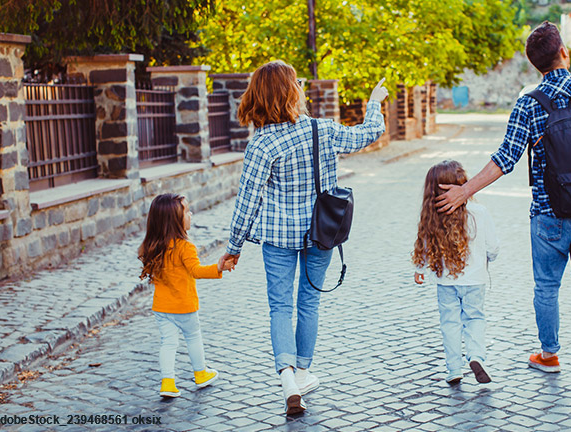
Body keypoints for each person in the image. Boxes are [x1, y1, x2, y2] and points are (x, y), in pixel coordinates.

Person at [435, 21, 571, 391]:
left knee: (547, 289)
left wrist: (463, 192)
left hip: (549, 215)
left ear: (536, 65)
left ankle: (550, 355)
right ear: (564, 51)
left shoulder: (529, 105)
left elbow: (504, 160)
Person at [219, 60, 388, 415]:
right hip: (320, 233)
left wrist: (233, 248)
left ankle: (287, 379)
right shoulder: (321, 130)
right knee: (308, 303)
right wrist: (374, 102)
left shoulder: (261, 144)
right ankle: (305, 371)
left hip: (278, 237)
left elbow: (247, 201)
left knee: (280, 307)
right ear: (291, 91)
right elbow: (369, 133)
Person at [413, 160, 500, 385]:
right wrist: (486, 257)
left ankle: (453, 369)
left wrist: (420, 268)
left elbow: (423, 244)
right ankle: (476, 356)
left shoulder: (432, 216)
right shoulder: (479, 212)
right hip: (475, 279)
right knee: (475, 318)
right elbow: (493, 248)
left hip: (445, 281)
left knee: (450, 323)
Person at [138, 193, 233, 398]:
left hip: (161, 308)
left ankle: (168, 382)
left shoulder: (153, 246)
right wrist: (219, 267)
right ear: (175, 221)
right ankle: (200, 373)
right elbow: (196, 271)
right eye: (187, 211)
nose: (191, 214)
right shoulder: (185, 247)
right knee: (193, 337)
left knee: (168, 343)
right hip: (184, 306)